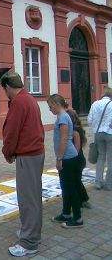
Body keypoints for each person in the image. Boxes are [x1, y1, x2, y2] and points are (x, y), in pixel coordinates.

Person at [0, 72, 45, 257]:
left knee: (28, 199)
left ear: (8, 87)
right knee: (33, 197)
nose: (5, 94)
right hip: (34, 152)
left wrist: (8, 152)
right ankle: (31, 233)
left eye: (4, 90)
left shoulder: (19, 102)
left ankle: (29, 242)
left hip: (28, 154)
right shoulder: (29, 99)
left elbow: (12, 131)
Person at [47, 94, 83, 229]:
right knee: (66, 188)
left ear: (56, 104)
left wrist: (59, 158)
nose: (50, 109)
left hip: (67, 158)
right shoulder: (63, 117)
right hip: (68, 157)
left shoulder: (63, 118)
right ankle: (66, 213)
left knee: (70, 188)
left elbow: (64, 139)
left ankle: (77, 218)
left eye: (50, 106)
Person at [88, 87, 112, 191]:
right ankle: (109, 184)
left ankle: (98, 182)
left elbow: (89, 120)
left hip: (98, 133)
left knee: (101, 157)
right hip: (110, 133)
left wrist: (95, 128)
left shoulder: (95, 104)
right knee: (110, 159)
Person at [67, 108, 91, 209]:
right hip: (79, 159)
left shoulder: (75, 131)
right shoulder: (76, 128)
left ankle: (83, 200)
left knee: (76, 181)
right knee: (77, 180)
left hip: (77, 160)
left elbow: (76, 149)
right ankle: (83, 199)